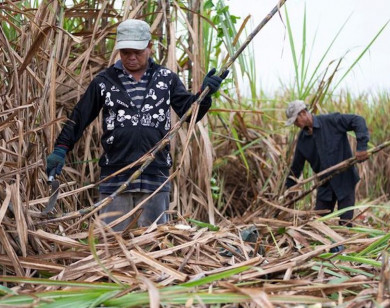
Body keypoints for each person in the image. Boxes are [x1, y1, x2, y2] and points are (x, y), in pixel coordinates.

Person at [46, 19, 228, 231]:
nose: (131, 57)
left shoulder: (166, 79)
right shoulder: (104, 81)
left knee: (154, 245)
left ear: (150, 47)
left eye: (138, 52)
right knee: (113, 245)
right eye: (125, 52)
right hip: (116, 175)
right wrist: (60, 149)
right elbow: (80, 116)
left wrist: (203, 96)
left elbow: (190, 115)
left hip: (155, 176)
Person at [284, 100, 369, 227]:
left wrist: (362, 147)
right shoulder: (302, 140)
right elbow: (296, 167)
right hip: (325, 184)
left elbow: (358, 120)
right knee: (319, 224)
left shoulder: (331, 121)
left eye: (296, 120)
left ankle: (344, 244)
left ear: (303, 114)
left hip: (344, 180)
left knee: (345, 224)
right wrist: (289, 189)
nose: (296, 124)